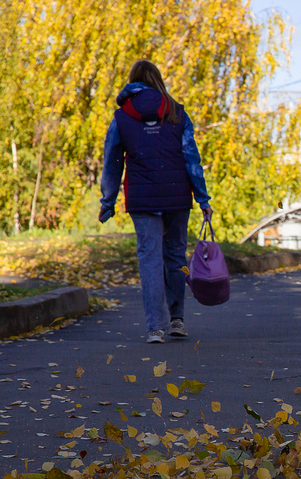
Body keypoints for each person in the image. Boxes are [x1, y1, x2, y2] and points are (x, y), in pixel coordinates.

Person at [99, 60, 213, 343]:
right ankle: (177, 320)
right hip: (177, 196)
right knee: (175, 256)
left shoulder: (122, 116)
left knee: (149, 260)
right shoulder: (176, 112)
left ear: (133, 80)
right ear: (158, 80)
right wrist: (202, 198)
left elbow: (112, 162)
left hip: (142, 198)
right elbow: (191, 158)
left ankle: (155, 329)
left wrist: (108, 201)